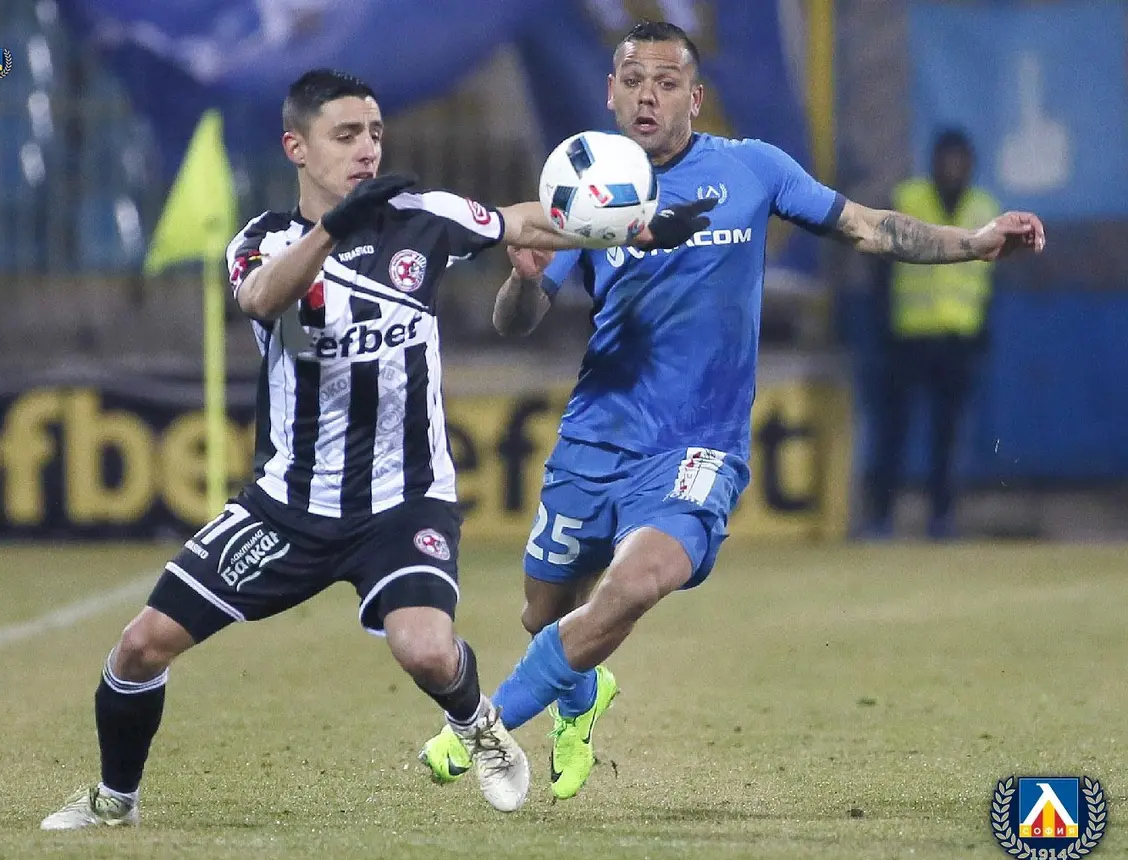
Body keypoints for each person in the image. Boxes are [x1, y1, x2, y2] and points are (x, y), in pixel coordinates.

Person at [40, 68, 712, 827]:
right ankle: (114, 802)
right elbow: (261, 298)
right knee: (140, 646)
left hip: (403, 498)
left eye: (375, 133)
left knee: (425, 651)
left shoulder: (421, 219)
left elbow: (521, 222)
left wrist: (639, 229)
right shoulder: (264, 241)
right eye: (346, 135)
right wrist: (334, 229)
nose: (367, 149)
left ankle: (478, 726)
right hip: (287, 504)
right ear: (297, 147)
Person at [419, 21, 1044, 801]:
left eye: (667, 81)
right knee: (544, 611)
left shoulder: (752, 169)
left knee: (636, 582)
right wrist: (522, 277)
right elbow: (519, 320)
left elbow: (867, 226)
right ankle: (581, 697)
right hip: (596, 435)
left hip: (698, 445)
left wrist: (974, 242)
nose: (648, 96)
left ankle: (481, 726)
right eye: (633, 80)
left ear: (695, 96)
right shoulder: (588, 188)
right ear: (610, 92)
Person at [863, 129, 1001, 540]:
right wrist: (882, 322)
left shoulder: (985, 209)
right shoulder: (908, 200)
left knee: (948, 436)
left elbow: (990, 281)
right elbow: (880, 265)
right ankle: (881, 517)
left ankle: (941, 518)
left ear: (971, 165)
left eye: (959, 160)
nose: (952, 168)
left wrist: (983, 329)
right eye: (946, 159)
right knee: (895, 433)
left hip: (959, 338)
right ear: (934, 161)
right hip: (909, 336)